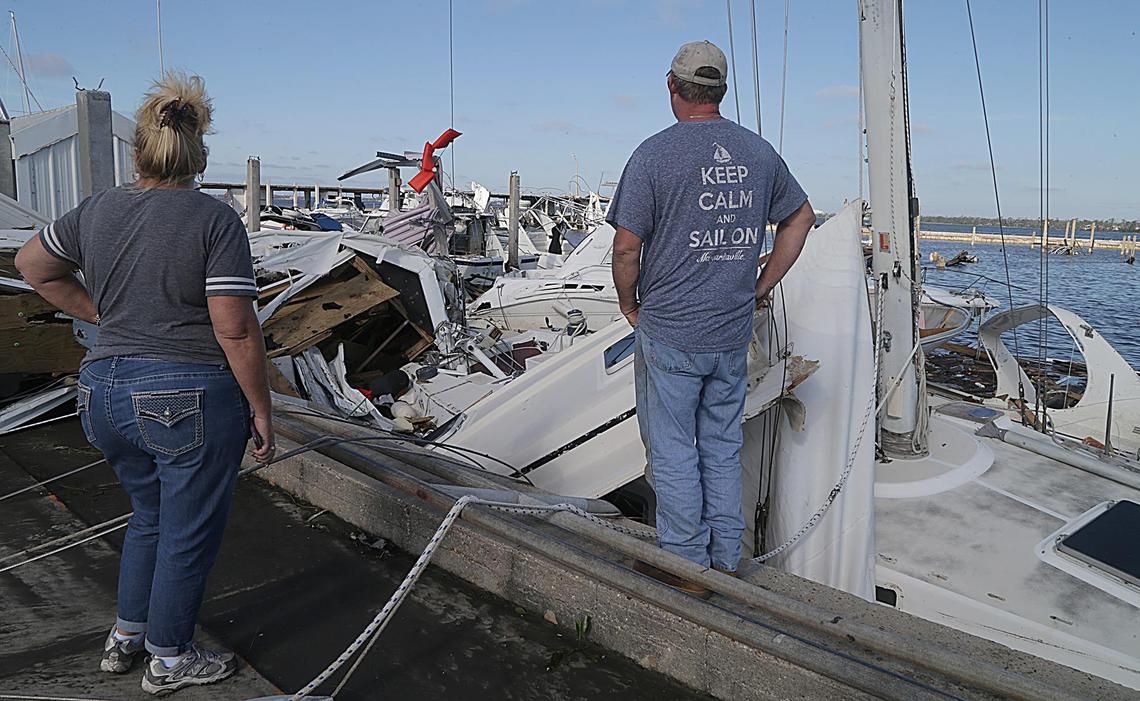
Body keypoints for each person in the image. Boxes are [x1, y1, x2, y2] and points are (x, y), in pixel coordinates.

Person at [15, 73, 274, 695]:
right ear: (199, 154)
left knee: (149, 516)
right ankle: (171, 657)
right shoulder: (214, 220)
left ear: (139, 153)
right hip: (185, 394)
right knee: (188, 530)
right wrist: (262, 408)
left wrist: (101, 313)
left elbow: (32, 265)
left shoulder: (98, 209)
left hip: (101, 391)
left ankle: (127, 634)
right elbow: (235, 329)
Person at [607, 41, 815, 596]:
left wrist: (629, 306)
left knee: (674, 452)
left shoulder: (652, 155)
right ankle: (725, 561)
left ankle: (685, 569)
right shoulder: (759, 153)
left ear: (671, 87)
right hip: (729, 332)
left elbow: (627, 250)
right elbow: (801, 219)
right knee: (720, 447)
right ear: (721, 91)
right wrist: (759, 286)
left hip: (671, 331)